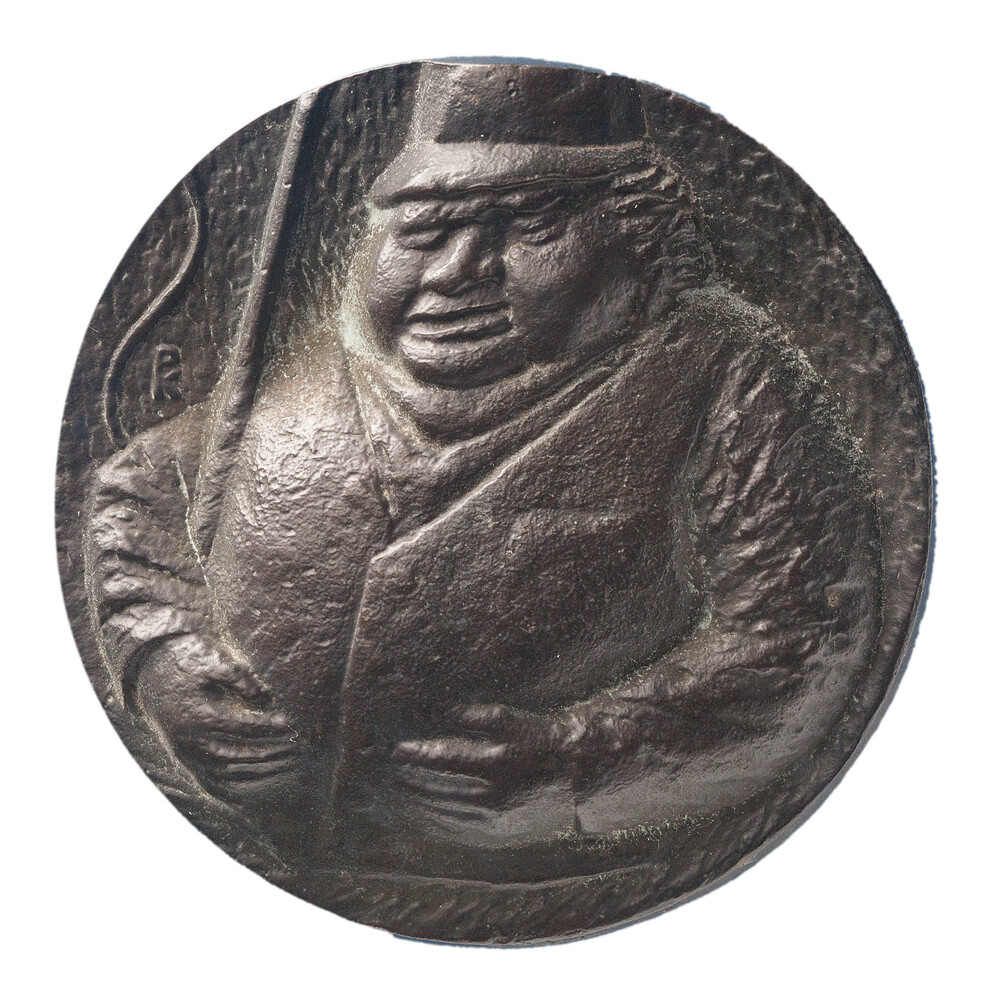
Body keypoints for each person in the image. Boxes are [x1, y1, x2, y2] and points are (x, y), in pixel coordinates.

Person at [85, 64, 880, 870]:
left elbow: (802, 635)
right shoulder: (312, 365)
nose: (456, 269)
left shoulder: (719, 370)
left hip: (536, 877)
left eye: (526, 224)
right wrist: (162, 658)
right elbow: (136, 492)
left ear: (639, 236)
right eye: (424, 229)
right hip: (255, 849)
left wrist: (581, 764)